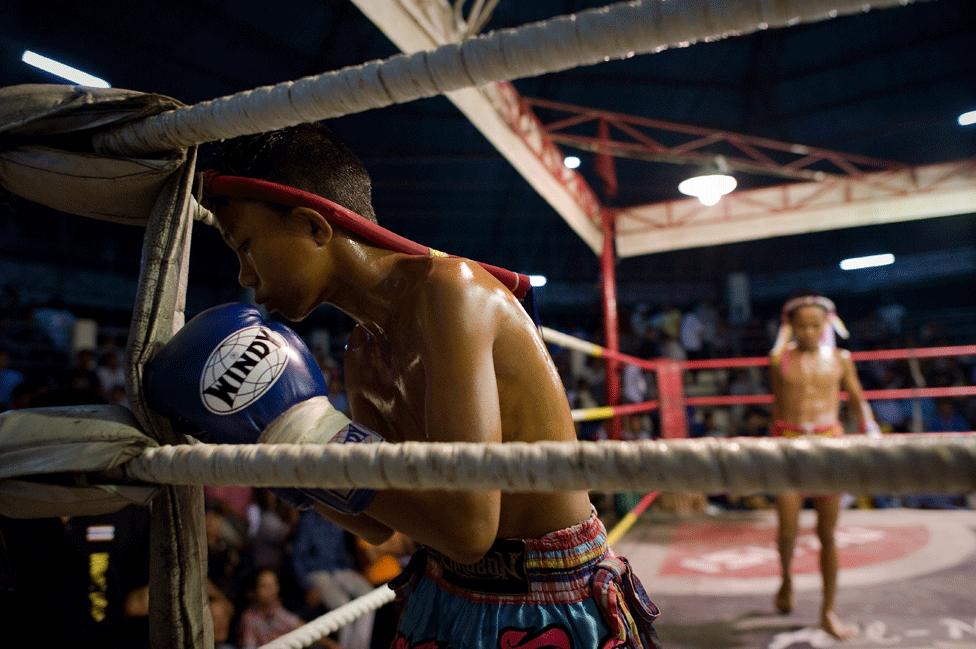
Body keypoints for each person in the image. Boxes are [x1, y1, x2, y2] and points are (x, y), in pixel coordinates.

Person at [145, 123, 660, 647]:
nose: (244, 277)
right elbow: (376, 524)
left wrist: (308, 438)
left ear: (313, 227)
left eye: (246, 246)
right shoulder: (362, 352)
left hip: (548, 595)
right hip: (445, 590)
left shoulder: (450, 294)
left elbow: (468, 529)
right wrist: (274, 450)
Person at [768, 294, 877, 640]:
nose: (809, 331)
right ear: (791, 327)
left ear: (826, 325)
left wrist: (871, 432)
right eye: (801, 325)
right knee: (787, 530)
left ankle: (828, 610)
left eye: (815, 325)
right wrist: (784, 329)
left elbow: (857, 399)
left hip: (829, 447)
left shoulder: (841, 359)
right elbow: (773, 357)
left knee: (827, 535)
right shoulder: (782, 360)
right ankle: (786, 577)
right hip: (789, 447)